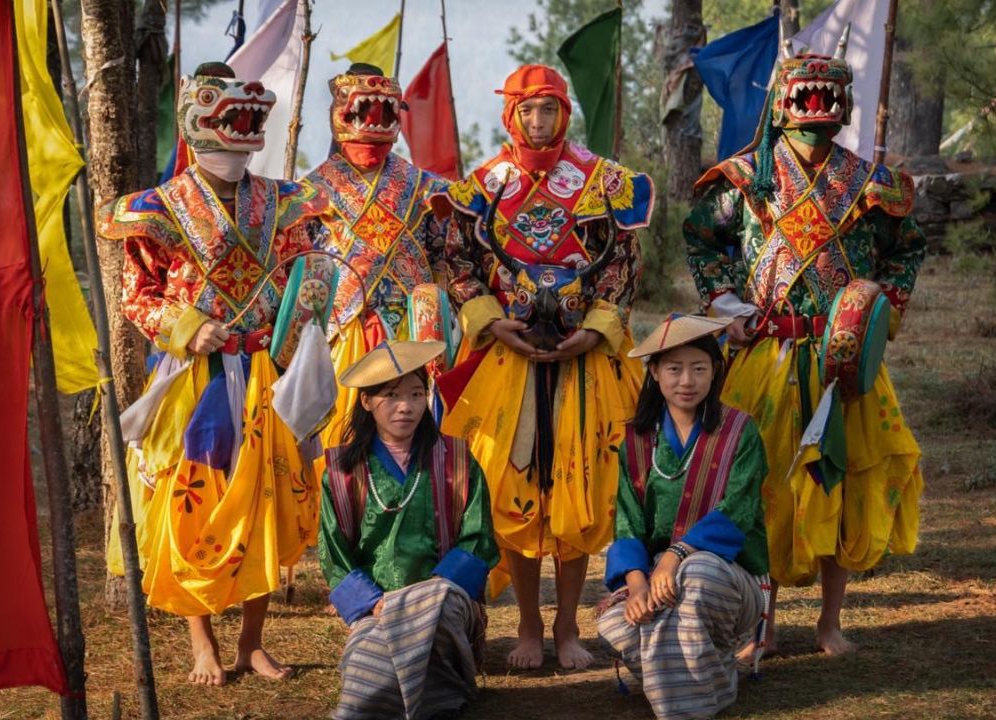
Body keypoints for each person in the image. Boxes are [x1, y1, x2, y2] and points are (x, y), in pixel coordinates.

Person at [683, 37, 926, 656]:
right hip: (767, 353)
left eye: (831, 95)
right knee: (758, 483)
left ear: (843, 105)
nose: (819, 106)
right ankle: (758, 623)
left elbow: (908, 250)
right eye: (807, 95)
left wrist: (879, 310)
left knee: (838, 481)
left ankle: (829, 621)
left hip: (844, 360)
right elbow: (703, 243)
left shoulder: (872, 184)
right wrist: (726, 307)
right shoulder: (743, 179)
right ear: (784, 104)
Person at [99, 62, 335, 685]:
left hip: (262, 372)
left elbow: (310, 278)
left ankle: (252, 641)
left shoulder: (286, 202)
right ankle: (201, 638)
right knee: (188, 502)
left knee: (264, 501)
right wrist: (183, 325)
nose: (242, 127)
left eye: (251, 118)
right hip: (191, 377)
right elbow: (137, 295)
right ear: (195, 118)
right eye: (229, 115)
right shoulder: (156, 209)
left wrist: (296, 330)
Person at [436, 64, 655, 669]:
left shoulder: (604, 181)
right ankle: (529, 624)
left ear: (566, 113)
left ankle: (568, 626)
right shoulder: (480, 185)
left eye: (550, 109)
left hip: (584, 361)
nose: (539, 122)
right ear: (511, 114)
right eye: (528, 110)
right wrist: (491, 319)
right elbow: (456, 262)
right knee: (515, 488)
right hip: (506, 361)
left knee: (579, 489)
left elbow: (623, 264)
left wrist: (595, 331)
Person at [596, 314, 770, 720]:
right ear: (654, 372)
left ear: (715, 373)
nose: (686, 381)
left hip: (726, 579)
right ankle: (716, 679)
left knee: (698, 574)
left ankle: (683, 707)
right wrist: (637, 584)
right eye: (674, 369)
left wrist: (674, 557)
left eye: (699, 368)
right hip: (657, 578)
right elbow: (627, 520)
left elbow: (738, 511)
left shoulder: (741, 432)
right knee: (617, 623)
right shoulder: (637, 441)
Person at [319, 341, 498, 720]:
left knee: (438, 616)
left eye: (417, 394)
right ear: (366, 402)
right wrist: (374, 602)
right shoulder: (341, 471)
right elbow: (333, 552)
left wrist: (433, 591)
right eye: (393, 395)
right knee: (367, 658)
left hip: (445, 597)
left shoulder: (458, 459)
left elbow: (478, 538)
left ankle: (435, 702)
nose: (407, 406)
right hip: (375, 607)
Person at [304, 63, 459, 454]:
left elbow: (448, 260)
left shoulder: (428, 188)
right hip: (341, 332)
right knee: (341, 439)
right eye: (363, 111)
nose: (373, 121)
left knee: (416, 441)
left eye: (384, 111)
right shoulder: (308, 192)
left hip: (412, 331)